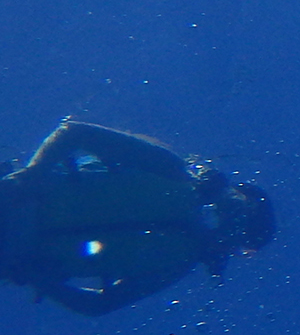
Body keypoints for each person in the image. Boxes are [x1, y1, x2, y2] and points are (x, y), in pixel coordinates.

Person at [0, 120, 274, 315]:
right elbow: (74, 132)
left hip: (13, 253)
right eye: (238, 209)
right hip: (13, 202)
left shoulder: (176, 264)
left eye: (240, 239)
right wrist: (34, 174)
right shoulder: (172, 171)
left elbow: (100, 305)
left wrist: (40, 280)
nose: (229, 223)